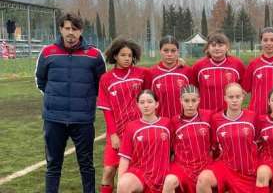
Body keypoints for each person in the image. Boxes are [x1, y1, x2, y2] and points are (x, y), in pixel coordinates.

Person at [35, 13, 106, 193]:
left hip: (82, 120)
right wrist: (55, 98)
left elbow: (101, 85)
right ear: (61, 29)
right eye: (67, 28)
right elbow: (40, 81)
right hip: (54, 118)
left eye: (74, 29)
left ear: (81, 31)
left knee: (86, 165)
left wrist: (84, 101)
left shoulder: (94, 55)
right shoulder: (47, 52)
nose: (70, 33)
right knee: (53, 164)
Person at [97, 38, 147, 193]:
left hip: (138, 132)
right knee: (109, 170)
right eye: (123, 55)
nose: (127, 58)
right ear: (115, 56)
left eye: (130, 55)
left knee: (135, 173)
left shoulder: (142, 74)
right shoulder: (106, 78)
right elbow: (107, 109)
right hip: (117, 133)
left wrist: (179, 61)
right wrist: (113, 134)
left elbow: (162, 70)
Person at [196, 83, 258, 193]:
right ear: (225, 98)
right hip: (226, 167)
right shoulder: (216, 119)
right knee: (203, 180)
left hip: (248, 169)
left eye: (238, 97)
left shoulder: (253, 117)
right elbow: (213, 145)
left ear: (243, 97)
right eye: (231, 97)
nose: (234, 100)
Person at [117, 90, 171, 193]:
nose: (146, 105)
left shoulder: (167, 123)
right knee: (124, 185)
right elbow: (125, 157)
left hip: (162, 174)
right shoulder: (131, 127)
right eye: (142, 102)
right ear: (137, 105)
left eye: (150, 102)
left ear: (157, 104)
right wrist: (120, 183)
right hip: (140, 173)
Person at [163, 85, 213, 193]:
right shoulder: (173, 122)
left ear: (199, 100)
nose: (190, 105)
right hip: (182, 167)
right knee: (169, 181)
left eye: (194, 100)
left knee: (204, 180)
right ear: (181, 100)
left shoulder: (208, 116)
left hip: (205, 165)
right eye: (186, 100)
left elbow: (214, 144)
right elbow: (170, 149)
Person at [190, 32, 245, 112]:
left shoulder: (237, 64)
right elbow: (193, 90)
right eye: (213, 45)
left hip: (230, 115)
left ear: (227, 47)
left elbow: (243, 88)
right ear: (208, 48)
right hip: (206, 114)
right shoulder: (198, 66)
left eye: (220, 45)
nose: (217, 48)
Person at [243, 27, 273, 114]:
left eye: (272, 40)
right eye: (265, 40)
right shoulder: (253, 64)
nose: (269, 43)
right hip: (257, 113)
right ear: (260, 42)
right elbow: (245, 89)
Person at [146, 36, 192, 118]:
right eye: (166, 50)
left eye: (173, 51)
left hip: (183, 121)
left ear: (178, 52)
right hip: (161, 122)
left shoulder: (187, 71)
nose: (169, 54)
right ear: (160, 51)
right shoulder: (151, 73)